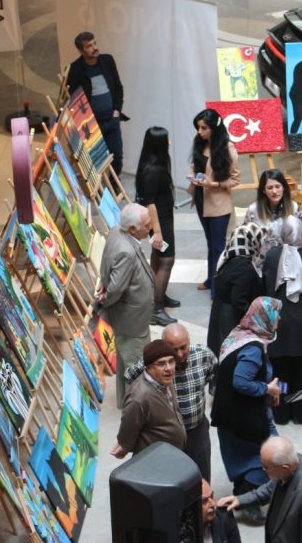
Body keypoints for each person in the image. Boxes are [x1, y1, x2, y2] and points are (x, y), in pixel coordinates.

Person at [210, 297, 283, 501]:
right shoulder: (252, 348)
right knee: (271, 455)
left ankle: (244, 495)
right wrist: (267, 389)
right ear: (265, 317)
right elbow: (241, 382)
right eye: (276, 313)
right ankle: (247, 499)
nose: (280, 317)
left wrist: (269, 393)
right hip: (245, 416)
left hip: (233, 414)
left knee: (245, 456)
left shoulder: (241, 334)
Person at [122, 324, 216, 480]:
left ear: (189, 342)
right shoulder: (153, 362)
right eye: (173, 350)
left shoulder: (203, 355)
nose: (179, 355)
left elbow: (211, 374)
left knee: (201, 478)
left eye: (183, 347)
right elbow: (131, 377)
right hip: (165, 437)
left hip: (196, 431)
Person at [263, 217, 302, 426]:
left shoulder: (271, 256)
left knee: (281, 371)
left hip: (279, 320)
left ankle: (281, 412)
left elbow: (266, 287)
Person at [219, 437, 302, 543]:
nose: (263, 470)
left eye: (266, 468)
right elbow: (271, 487)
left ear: (284, 468)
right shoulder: (291, 462)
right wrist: (240, 500)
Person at [99, 203, 156, 406]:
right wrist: (104, 298)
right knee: (137, 365)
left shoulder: (117, 232)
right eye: (146, 225)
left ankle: (125, 400)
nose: (150, 228)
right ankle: (137, 407)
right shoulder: (126, 252)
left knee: (126, 358)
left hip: (130, 317)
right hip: (131, 320)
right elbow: (115, 289)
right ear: (132, 229)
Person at [189, 109, 240, 293]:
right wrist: (193, 177)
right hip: (201, 199)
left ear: (214, 128)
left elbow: (234, 180)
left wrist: (213, 183)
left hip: (219, 203)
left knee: (219, 246)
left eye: (203, 128)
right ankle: (211, 280)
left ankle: (218, 289)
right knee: (210, 243)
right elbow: (195, 166)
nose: (199, 132)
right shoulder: (200, 143)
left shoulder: (227, 148)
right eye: (198, 128)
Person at [244, 169, 302, 273]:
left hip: (288, 263)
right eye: (270, 188)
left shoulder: (293, 207)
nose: (274, 191)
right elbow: (246, 239)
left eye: (277, 186)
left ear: (283, 187)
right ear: (263, 190)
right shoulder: (253, 210)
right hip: (263, 264)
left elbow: (297, 233)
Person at [135, 126, 179, 325]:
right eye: (166, 140)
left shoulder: (154, 165)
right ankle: (156, 308)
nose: (169, 142)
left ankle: (157, 295)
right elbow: (150, 202)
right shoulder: (152, 170)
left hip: (162, 219)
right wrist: (158, 231)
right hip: (158, 221)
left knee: (159, 257)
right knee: (166, 260)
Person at [112, 340, 186, 458]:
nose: (168, 368)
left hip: (172, 457)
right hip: (153, 463)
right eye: (161, 364)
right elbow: (126, 435)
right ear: (149, 368)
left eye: (171, 362)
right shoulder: (139, 398)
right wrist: (124, 446)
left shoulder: (164, 379)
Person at [66, 32, 126, 176]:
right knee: (94, 160)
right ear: (81, 50)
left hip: (111, 119)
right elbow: (73, 98)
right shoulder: (75, 69)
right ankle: (97, 190)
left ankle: (114, 184)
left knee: (117, 156)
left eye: (94, 43)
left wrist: (116, 110)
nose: (94, 48)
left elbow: (118, 87)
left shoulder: (107, 60)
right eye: (89, 46)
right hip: (92, 124)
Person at [208, 223, 263, 355]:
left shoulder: (228, 259)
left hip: (219, 313)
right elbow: (239, 300)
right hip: (230, 320)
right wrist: (256, 321)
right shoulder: (244, 267)